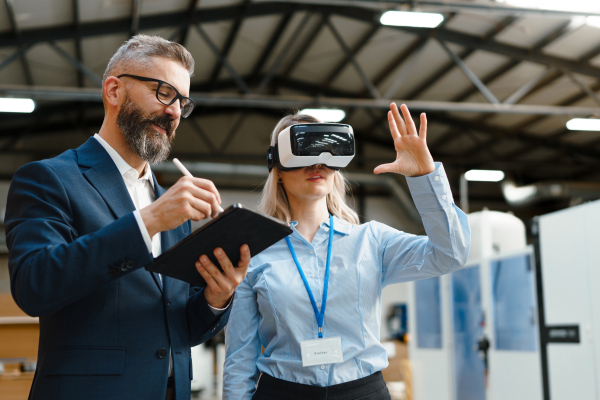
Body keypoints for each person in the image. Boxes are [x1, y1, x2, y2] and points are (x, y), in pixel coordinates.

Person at [5, 35, 249, 400]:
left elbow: (179, 329)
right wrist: (146, 222)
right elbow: (35, 285)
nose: (174, 112)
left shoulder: (171, 206)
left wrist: (217, 296)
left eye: (183, 102)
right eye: (164, 92)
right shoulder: (49, 179)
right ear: (114, 90)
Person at [223, 103, 470, 400]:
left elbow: (450, 254)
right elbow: (240, 357)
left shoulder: (372, 240)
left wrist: (424, 177)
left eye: (326, 154)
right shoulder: (255, 253)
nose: (318, 164)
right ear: (277, 170)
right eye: (304, 152)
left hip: (362, 392)